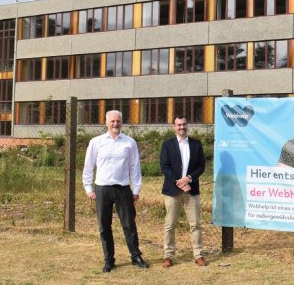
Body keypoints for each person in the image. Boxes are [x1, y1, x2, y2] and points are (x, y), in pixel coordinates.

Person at [81, 110, 149, 272]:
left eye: (118, 121)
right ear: (106, 123)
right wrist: (88, 188)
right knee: (104, 226)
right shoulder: (96, 142)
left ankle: (135, 256)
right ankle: (109, 259)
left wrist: (136, 189)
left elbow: (135, 167)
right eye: (112, 121)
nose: (115, 124)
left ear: (121, 122)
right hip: (102, 189)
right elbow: (88, 167)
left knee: (129, 224)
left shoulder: (129, 142)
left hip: (123, 189)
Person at [159, 116, 207, 268]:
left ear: (188, 125)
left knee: (196, 224)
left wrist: (189, 179)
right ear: (174, 127)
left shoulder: (196, 144)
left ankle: (198, 254)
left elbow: (201, 166)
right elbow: (164, 167)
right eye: (179, 125)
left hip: (192, 190)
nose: (182, 127)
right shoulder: (167, 145)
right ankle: (168, 255)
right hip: (172, 191)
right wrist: (179, 183)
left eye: (184, 124)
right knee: (170, 224)